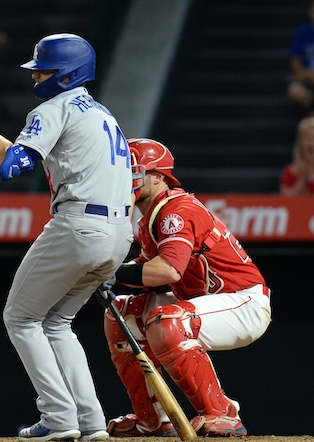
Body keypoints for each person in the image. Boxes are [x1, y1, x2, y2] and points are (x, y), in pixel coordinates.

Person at [0, 33, 134, 441]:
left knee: (20, 318)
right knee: (57, 323)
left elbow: (13, 164)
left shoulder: (56, 107)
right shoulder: (105, 114)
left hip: (78, 224)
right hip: (118, 232)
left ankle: (58, 418)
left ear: (69, 73)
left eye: (44, 69)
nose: (36, 76)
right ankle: (91, 423)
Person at [103, 138, 272, 437]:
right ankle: (151, 419)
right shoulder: (151, 218)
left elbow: (167, 270)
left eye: (133, 173)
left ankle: (223, 413)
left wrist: (113, 273)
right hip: (205, 300)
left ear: (158, 176)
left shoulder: (176, 210)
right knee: (122, 314)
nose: (125, 180)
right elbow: (142, 272)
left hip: (243, 302)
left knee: (167, 322)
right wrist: (99, 273)